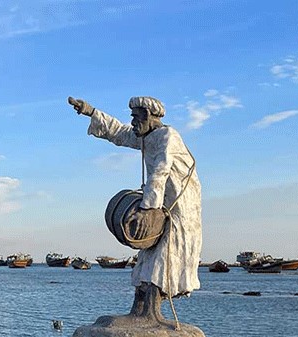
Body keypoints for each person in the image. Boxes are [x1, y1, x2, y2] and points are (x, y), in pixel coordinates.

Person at [68, 96, 202, 325]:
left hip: (180, 206)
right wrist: (91, 112)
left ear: (148, 115)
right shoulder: (147, 136)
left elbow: (160, 171)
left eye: (136, 117)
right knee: (147, 254)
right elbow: (120, 133)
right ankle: (139, 310)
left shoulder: (168, 137)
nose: (132, 122)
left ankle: (151, 313)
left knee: (164, 255)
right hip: (162, 201)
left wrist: (147, 209)